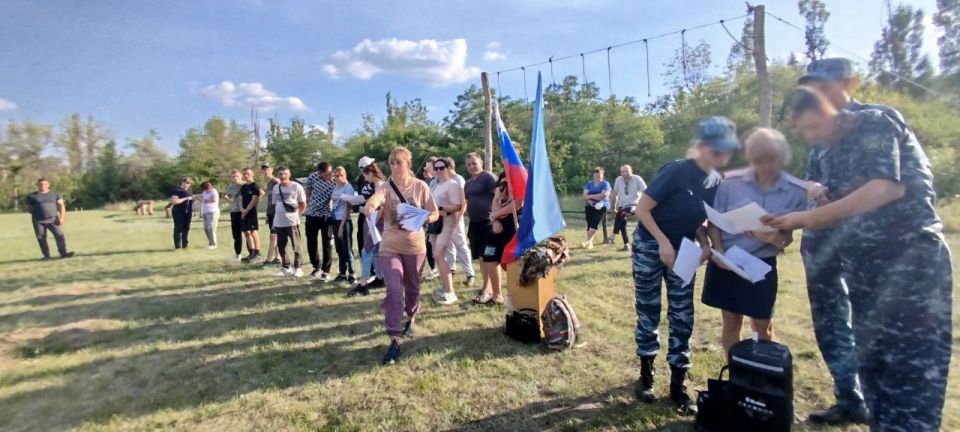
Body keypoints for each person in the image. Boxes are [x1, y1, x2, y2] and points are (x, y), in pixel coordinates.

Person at [764, 88, 953, 432]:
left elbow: (886, 188)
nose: (810, 136)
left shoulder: (874, 124)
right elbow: (832, 202)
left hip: (908, 264)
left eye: (813, 126)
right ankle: (860, 407)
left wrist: (804, 219)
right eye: (804, 130)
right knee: (875, 369)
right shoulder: (825, 147)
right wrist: (800, 211)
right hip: (862, 267)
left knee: (910, 375)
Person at [795, 58, 907, 425]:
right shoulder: (820, 139)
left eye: (823, 86)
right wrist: (814, 190)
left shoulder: (874, 121)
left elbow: (886, 186)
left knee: (872, 325)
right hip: (825, 246)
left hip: (870, 246)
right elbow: (811, 184)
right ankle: (849, 397)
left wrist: (810, 215)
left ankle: (881, 406)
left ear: (847, 83)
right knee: (829, 322)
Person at [632, 116, 739, 414]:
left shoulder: (715, 181)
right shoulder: (677, 170)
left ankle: (678, 384)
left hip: (684, 250)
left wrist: (704, 243)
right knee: (649, 308)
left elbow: (700, 220)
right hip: (650, 245)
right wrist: (663, 243)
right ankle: (646, 376)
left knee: (682, 313)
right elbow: (642, 209)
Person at [701, 128, 806, 353]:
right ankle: (735, 370)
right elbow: (714, 222)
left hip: (761, 264)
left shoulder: (796, 192)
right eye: (758, 160)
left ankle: (763, 370)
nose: (764, 166)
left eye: (771, 159)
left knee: (762, 324)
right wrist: (718, 252)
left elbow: (786, 240)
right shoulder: (730, 184)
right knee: (731, 322)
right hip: (727, 262)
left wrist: (775, 238)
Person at [364, 147, 439, 365]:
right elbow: (375, 199)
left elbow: (435, 213)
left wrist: (424, 218)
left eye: (399, 162)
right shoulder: (386, 187)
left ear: (408, 163)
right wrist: (370, 207)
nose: (395, 167)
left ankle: (411, 317)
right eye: (392, 163)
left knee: (413, 288)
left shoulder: (420, 186)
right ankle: (394, 337)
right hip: (389, 247)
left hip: (415, 247)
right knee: (395, 289)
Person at [463, 153, 500, 304]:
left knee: (490, 258)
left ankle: (491, 291)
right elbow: (467, 200)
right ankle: (486, 287)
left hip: (488, 224)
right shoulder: (468, 183)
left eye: (474, 163)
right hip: (474, 223)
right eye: (469, 164)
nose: (472, 166)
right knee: (481, 258)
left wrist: (496, 218)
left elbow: (499, 197)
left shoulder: (489, 178)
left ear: (481, 163)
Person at [429, 157, 465, 305]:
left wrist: (441, 207)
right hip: (435, 223)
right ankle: (445, 286)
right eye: (436, 168)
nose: (438, 170)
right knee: (437, 256)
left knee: (438, 255)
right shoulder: (436, 185)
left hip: (447, 223)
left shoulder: (453, 184)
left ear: (448, 168)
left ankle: (450, 291)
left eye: (441, 167)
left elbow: (458, 206)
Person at [348, 162, 386, 297]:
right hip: (376, 223)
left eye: (365, 175)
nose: (364, 179)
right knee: (375, 252)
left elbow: (381, 206)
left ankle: (363, 285)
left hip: (375, 223)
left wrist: (372, 221)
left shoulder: (380, 185)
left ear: (370, 173)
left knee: (367, 251)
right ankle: (380, 278)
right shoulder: (379, 185)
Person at [483, 171, 521, 287]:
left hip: (514, 224)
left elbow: (518, 203)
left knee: (514, 260)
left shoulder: (521, 176)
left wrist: (495, 215)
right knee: (489, 257)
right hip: (496, 224)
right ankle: (496, 294)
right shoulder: (502, 178)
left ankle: (515, 291)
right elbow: (495, 200)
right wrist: (494, 220)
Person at [270, 166, 307, 278]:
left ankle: (298, 268)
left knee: (296, 245)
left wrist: (297, 216)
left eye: (285, 174)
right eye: (281, 174)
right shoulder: (276, 188)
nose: (283, 176)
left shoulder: (296, 186)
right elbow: (275, 204)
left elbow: (303, 204)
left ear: (289, 174)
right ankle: (286, 267)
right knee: (281, 246)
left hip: (292, 222)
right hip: (279, 222)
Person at [25, 178, 74, 259]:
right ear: (37, 185)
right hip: (38, 220)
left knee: (59, 235)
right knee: (41, 238)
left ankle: (63, 253)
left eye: (44, 184)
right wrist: (37, 213)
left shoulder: (55, 194)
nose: (42, 186)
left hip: (53, 219)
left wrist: (62, 218)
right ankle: (46, 256)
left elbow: (61, 206)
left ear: (48, 185)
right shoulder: (31, 196)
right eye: (40, 184)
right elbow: (28, 208)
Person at [304, 162, 336, 281]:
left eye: (330, 173)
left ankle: (326, 271)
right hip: (311, 214)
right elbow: (308, 190)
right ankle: (316, 266)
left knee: (327, 243)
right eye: (327, 174)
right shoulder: (313, 177)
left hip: (327, 214)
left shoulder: (334, 179)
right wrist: (309, 202)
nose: (330, 176)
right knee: (311, 241)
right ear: (320, 173)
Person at [610, 165, 647, 251]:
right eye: (623, 172)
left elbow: (646, 192)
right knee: (622, 222)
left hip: (634, 205)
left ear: (631, 171)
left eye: (626, 171)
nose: (625, 173)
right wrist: (613, 207)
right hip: (622, 205)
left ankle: (613, 235)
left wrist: (640, 203)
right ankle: (626, 245)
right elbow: (615, 194)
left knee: (621, 214)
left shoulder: (637, 179)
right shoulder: (618, 180)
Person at [355, 156, 379, 283]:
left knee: (371, 248)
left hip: (375, 217)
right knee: (365, 246)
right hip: (365, 216)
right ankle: (371, 274)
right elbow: (362, 196)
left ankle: (373, 276)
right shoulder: (361, 180)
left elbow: (378, 204)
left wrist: (362, 208)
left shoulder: (380, 183)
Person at [331, 166, 357, 283]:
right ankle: (342, 273)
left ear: (345, 175)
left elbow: (348, 208)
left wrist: (342, 226)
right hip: (335, 219)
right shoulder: (335, 187)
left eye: (341, 176)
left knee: (347, 248)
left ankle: (352, 273)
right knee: (339, 249)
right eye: (336, 176)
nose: (338, 178)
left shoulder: (348, 188)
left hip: (344, 221)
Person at [582, 167, 611, 249]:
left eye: (599, 176)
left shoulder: (605, 184)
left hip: (602, 205)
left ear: (602, 176)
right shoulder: (589, 184)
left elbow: (603, 195)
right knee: (589, 223)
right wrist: (590, 202)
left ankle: (588, 242)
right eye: (596, 175)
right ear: (593, 176)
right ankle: (590, 242)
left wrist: (590, 196)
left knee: (594, 222)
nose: (597, 177)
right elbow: (584, 196)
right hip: (590, 205)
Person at [420, 158, 439, 280]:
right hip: (426, 216)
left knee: (436, 245)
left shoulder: (437, 181)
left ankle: (440, 268)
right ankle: (433, 268)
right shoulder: (426, 183)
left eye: (428, 168)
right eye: (425, 169)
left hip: (436, 217)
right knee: (429, 243)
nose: (426, 171)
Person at [239, 167, 262, 262]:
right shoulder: (243, 187)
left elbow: (254, 199)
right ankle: (251, 252)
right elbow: (241, 199)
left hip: (251, 212)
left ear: (252, 174)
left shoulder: (255, 186)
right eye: (244, 174)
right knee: (246, 232)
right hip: (244, 212)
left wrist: (247, 210)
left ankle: (257, 252)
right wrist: (242, 209)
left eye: (248, 174)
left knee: (253, 232)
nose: (246, 175)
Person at [223, 170, 245, 261]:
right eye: (233, 176)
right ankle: (238, 254)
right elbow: (224, 195)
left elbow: (259, 193)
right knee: (236, 235)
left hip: (244, 211)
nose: (235, 178)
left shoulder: (245, 185)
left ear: (241, 176)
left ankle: (253, 254)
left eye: (237, 176)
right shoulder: (230, 187)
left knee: (248, 233)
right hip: (234, 212)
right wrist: (230, 202)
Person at [261, 163, 281, 264]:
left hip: (276, 213)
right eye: (264, 170)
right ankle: (277, 258)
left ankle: (268, 260)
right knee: (275, 236)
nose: (266, 171)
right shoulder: (268, 183)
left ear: (272, 170)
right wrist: (267, 214)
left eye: (267, 169)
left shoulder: (276, 181)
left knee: (273, 236)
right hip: (270, 213)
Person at [169, 177, 194, 249]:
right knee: (178, 228)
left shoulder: (189, 190)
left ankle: (185, 245)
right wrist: (186, 198)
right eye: (187, 183)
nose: (188, 184)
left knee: (186, 228)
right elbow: (175, 201)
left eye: (189, 183)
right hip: (178, 211)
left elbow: (190, 199)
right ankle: (177, 245)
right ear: (183, 182)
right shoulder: (177, 190)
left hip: (188, 211)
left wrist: (193, 199)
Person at [199, 181, 220, 249]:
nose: (206, 190)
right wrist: (194, 197)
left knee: (211, 228)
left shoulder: (214, 191)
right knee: (206, 228)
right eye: (204, 189)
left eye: (207, 188)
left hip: (213, 212)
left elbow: (214, 199)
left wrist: (203, 200)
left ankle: (214, 244)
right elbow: (201, 197)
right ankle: (211, 242)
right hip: (205, 212)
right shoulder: (204, 192)